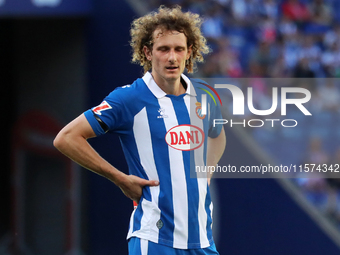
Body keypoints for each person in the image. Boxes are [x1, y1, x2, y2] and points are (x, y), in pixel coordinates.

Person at [54, 5, 226, 255]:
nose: (172, 58)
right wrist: (119, 177)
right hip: (153, 239)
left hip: (202, 241)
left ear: (190, 52)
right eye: (163, 49)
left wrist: (207, 171)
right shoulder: (129, 98)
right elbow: (66, 138)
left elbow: (217, 135)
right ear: (147, 52)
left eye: (179, 49)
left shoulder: (205, 94)